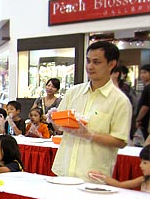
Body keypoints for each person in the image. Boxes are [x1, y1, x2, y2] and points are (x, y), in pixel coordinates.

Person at [49, 41, 132, 180]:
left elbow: (120, 141)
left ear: (111, 64)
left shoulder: (120, 101)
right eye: (88, 61)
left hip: (94, 175)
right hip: (64, 169)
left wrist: (89, 135)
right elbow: (59, 129)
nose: (90, 67)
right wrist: (54, 119)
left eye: (96, 62)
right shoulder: (73, 92)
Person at [134, 64, 150, 141]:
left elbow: (145, 107)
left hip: (146, 122)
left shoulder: (148, 89)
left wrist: (138, 119)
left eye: (145, 73)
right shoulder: (146, 88)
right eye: (141, 73)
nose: (142, 75)